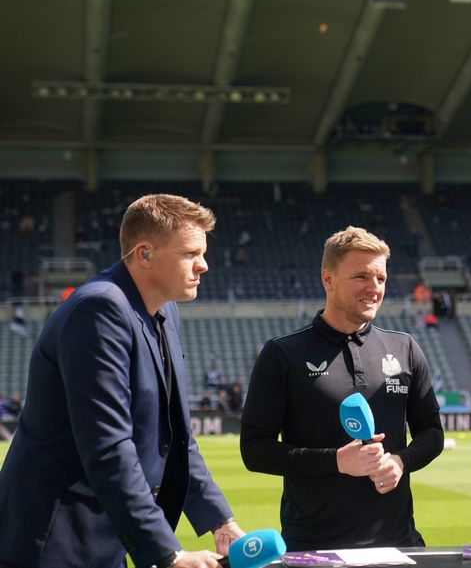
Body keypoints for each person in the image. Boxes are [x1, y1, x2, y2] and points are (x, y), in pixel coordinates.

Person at [0, 194, 243, 568]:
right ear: (144, 254)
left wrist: (219, 520)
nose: (204, 265)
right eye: (190, 253)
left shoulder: (165, 309)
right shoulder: (99, 310)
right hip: (54, 538)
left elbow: (177, 437)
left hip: (104, 535)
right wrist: (168, 553)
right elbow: (108, 446)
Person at [240, 226, 444, 550]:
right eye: (362, 276)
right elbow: (254, 450)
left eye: (381, 278)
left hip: (397, 543)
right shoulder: (282, 354)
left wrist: (401, 462)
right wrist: (336, 460)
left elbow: (432, 433)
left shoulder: (404, 347)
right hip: (313, 547)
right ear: (328, 279)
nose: (374, 288)